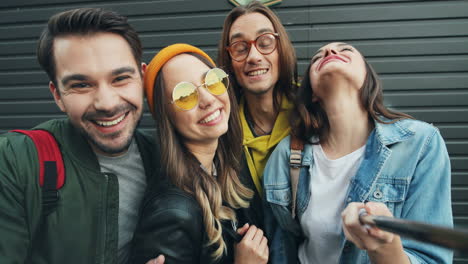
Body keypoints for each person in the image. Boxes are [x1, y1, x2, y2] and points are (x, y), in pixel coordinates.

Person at [263, 42, 453, 263]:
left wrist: (386, 247)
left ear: (367, 78)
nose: (330, 52)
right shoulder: (286, 154)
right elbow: (280, 250)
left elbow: (432, 259)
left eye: (345, 50)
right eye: (317, 57)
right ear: (312, 93)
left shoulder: (420, 143)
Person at [0, 8, 164, 264]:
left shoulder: (164, 159)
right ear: (57, 95)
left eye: (120, 78)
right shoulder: (14, 160)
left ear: (142, 78)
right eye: (81, 85)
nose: (107, 103)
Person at [130, 44, 269, 264]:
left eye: (212, 81)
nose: (207, 99)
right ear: (167, 118)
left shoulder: (226, 172)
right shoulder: (171, 214)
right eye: (185, 95)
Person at [217, 1, 298, 227]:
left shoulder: (314, 110)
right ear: (229, 62)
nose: (253, 56)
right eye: (240, 48)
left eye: (265, 43)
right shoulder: (219, 132)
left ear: (282, 49)